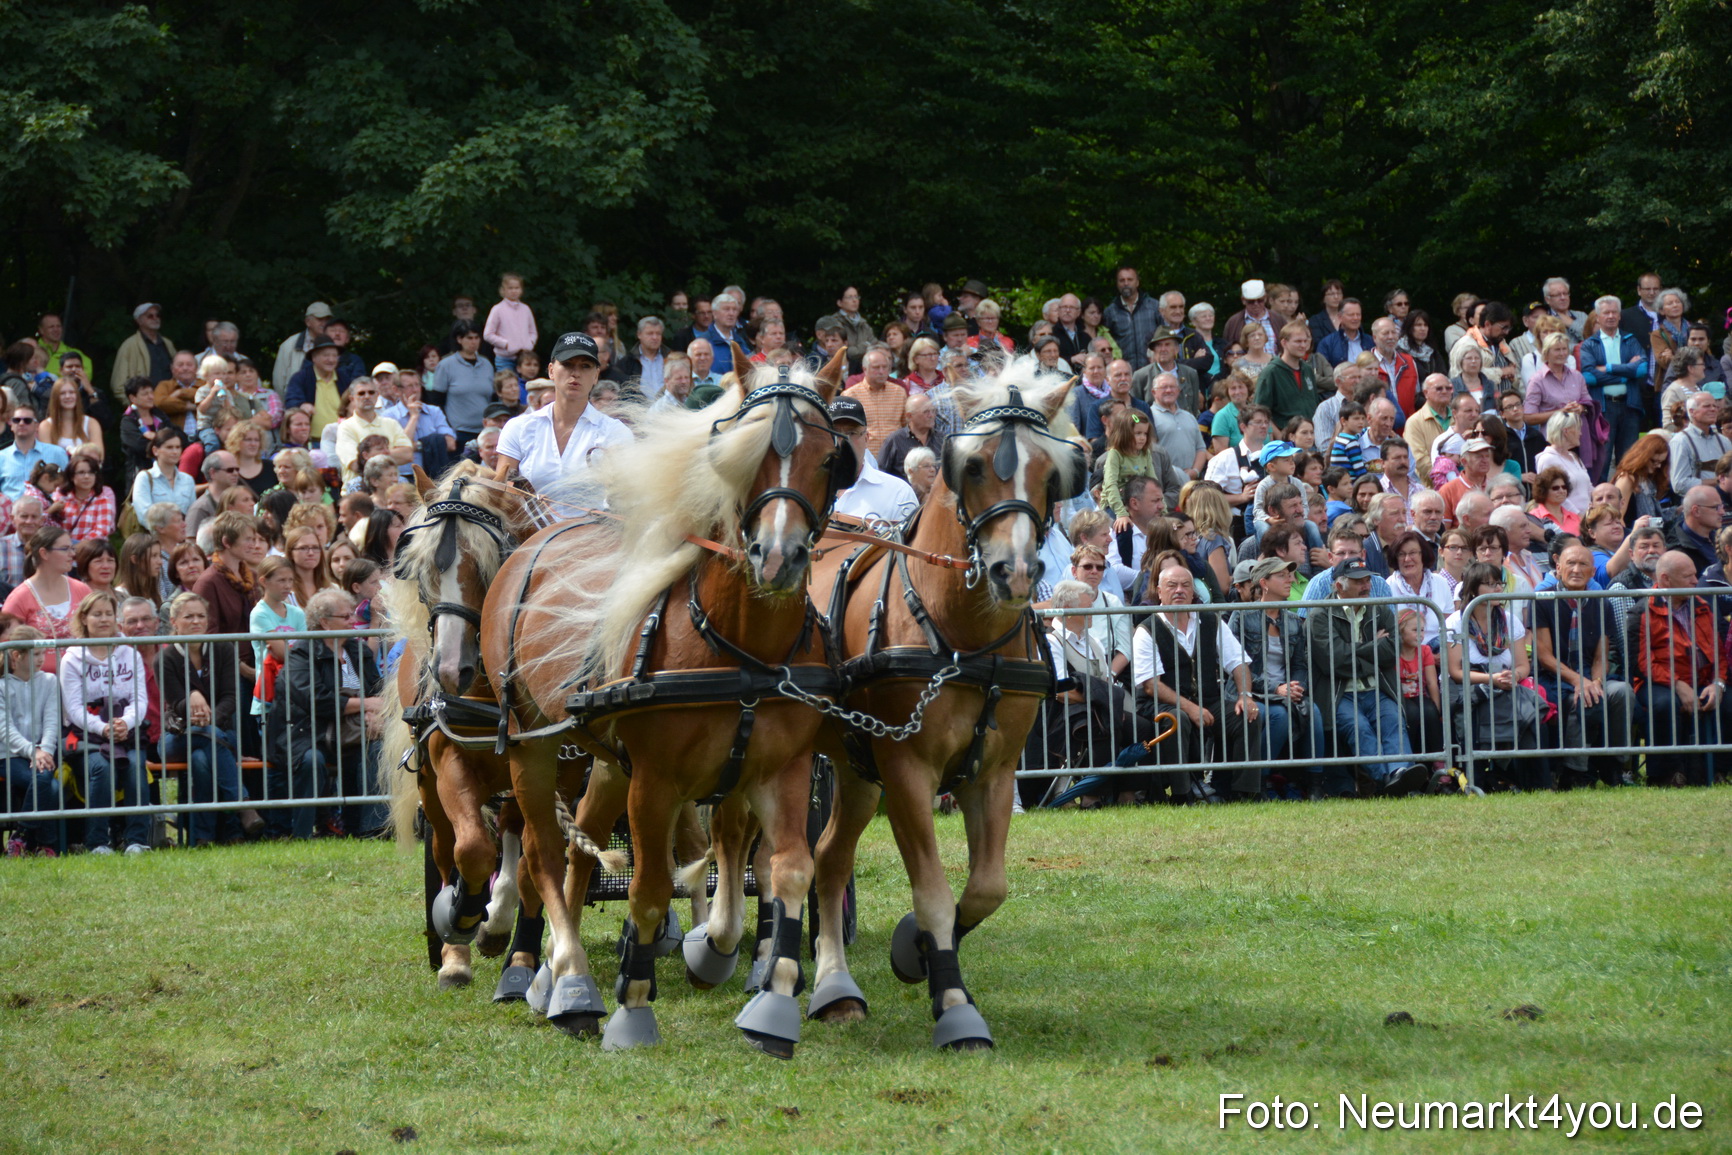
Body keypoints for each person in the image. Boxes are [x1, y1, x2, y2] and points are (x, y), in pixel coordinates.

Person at [264, 588, 384, 839]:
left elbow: (379, 692)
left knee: (375, 750)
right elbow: (315, 700)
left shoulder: (357, 651)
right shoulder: (302, 653)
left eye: (353, 615)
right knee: (311, 760)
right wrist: (364, 705)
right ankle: (302, 833)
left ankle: (369, 828)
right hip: (305, 731)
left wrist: (377, 714)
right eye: (346, 617)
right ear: (325, 622)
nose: (353, 622)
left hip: (351, 730)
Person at [1134, 562, 1259, 799]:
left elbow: (1239, 662)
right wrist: (1191, 707)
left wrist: (1245, 696)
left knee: (1248, 715)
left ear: (1194, 592)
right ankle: (1182, 795)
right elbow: (1151, 685)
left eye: (1185, 585)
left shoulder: (1211, 621)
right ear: (1159, 592)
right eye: (1172, 585)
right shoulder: (1146, 629)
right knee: (1178, 717)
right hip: (1159, 705)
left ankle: (1244, 792)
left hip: (1207, 701)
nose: (1179, 590)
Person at [1307, 559, 1426, 794]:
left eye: (1367, 579)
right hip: (1341, 693)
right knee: (1359, 728)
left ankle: (1398, 774)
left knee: (1393, 720)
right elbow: (1335, 661)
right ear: (1339, 586)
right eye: (1358, 581)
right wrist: (1373, 647)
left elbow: (1392, 651)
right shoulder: (1319, 615)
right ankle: (1388, 779)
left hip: (1377, 688)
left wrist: (1355, 650)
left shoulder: (1379, 607)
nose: (1366, 586)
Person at [1230, 557, 1333, 797]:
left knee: (1313, 711)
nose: (1290, 580)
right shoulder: (1242, 616)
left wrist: (1297, 686)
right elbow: (1239, 666)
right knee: (1278, 717)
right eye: (1282, 576)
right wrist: (1277, 688)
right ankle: (1260, 782)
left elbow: (1299, 664)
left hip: (1283, 692)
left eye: (1290, 575)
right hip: (1250, 691)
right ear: (1264, 583)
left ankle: (1315, 783)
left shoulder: (1293, 619)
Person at [1533, 543, 1634, 788]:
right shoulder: (1542, 601)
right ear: (1558, 568)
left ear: (1592, 571)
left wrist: (1595, 683)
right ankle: (1575, 772)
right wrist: (1579, 682)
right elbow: (1544, 655)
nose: (1577, 569)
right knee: (1578, 698)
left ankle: (1615, 765)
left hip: (1591, 674)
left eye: (1583, 564)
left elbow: (1601, 655)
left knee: (1621, 692)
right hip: (1554, 677)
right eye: (1571, 563)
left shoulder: (1602, 602)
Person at [58, 592, 151, 853]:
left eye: (108, 613)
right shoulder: (72, 658)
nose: (103, 619)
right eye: (97, 614)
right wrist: (103, 727)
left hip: (126, 730)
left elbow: (139, 698)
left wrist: (125, 723)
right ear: (84, 619)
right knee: (102, 766)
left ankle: (137, 840)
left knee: (135, 765)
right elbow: (74, 708)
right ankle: (97, 841)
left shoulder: (129, 654)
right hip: (87, 734)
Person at [154, 591, 247, 846]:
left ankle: (202, 836)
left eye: (201, 616)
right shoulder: (165, 658)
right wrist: (193, 697)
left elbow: (231, 697)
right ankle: (241, 806)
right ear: (173, 622)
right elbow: (176, 703)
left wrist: (210, 717)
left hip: (218, 732)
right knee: (211, 741)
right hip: (177, 736)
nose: (196, 621)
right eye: (189, 616)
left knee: (201, 758)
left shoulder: (223, 649)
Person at [1446, 561, 1545, 790]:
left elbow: (1522, 665)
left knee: (1531, 716)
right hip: (1471, 688)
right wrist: (1492, 680)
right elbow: (1456, 672)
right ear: (1473, 589)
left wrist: (1513, 677)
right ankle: (1479, 779)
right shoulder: (1456, 622)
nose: (1498, 589)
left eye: (1498, 583)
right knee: (1477, 713)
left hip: (1506, 684)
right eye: (1489, 584)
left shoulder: (1511, 620)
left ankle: (1536, 783)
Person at [493, 332, 631, 496]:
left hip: (595, 522)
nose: (575, 373)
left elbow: (624, 499)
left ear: (596, 375)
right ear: (551, 370)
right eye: (567, 364)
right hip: (527, 521)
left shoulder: (615, 432)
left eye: (585, 366)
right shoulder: (519, 428)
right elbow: (500, 494)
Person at [1630, 552, 1726, 786]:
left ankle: (1720, 770)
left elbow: (1720, 654)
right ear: (1665, 579)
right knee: (1665, 704)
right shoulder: (1642, 611)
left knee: (1728, 700)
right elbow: (1641, 663)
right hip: (1656, 683)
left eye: (1695, 574)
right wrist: (1677, 684)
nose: (1696, 581)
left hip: (1703, 680)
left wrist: (1719, 683)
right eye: (1688, 576)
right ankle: (1667, 774)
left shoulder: (1703, 605)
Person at [829, 398, 918, 525]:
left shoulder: (898, 493)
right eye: (834, 432)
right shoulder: (802, 489)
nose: (842, 441)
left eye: (852, 433)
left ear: (866, 438)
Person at [1395, 607, 1445, 777]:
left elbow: (1431, 682)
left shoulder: (1425, 651)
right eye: (1415, 630)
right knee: (1412, 714)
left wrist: (1438, 709)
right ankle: (1410, 762)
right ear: (1401, 632)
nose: (1421, 634)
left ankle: (1439, 761)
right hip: (1400, 698)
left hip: (1418, 695)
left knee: (1430, 711)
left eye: (1422, 630)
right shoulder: (1393, 652)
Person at [331, 378, 412, 484]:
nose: (367, 396)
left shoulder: (391, 423)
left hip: (391, 490)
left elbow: (408, 455)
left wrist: (371, 456)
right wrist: (389, 454)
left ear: (377, 395)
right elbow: (356, 464)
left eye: (371, 392)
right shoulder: (345, 427)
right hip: (359, 490)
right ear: (352, 398)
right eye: (361, 393)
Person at [1669, 390, 1732, 497]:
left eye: (1714, 406)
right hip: (1698, 505)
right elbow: (1679, 484)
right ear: (1692, 411)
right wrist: (1717, 481)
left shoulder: (1723, 441)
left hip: (1725, 504)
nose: (1713, 409)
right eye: (1707, 406)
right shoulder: (1681, 441)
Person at [1535, 411, 1592, 515]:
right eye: (1578, 429)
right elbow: (1553, 494)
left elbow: (1589, 488)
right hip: (1567, 520)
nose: (1580, 433)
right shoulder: (1547, 459)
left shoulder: (1574, 457)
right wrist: (1577, 516)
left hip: (1587, 518)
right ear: (1566, 431)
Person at [1104, 266, 1161, 370]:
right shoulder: (1110, 312)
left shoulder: (1154, 307)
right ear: (1117, 284)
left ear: (1137, 282)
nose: (1126, 283)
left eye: (1130, 279)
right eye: (1122, 280)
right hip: (1124, 372)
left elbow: (1164, 335)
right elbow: (1106, 340)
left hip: (1152, 368)